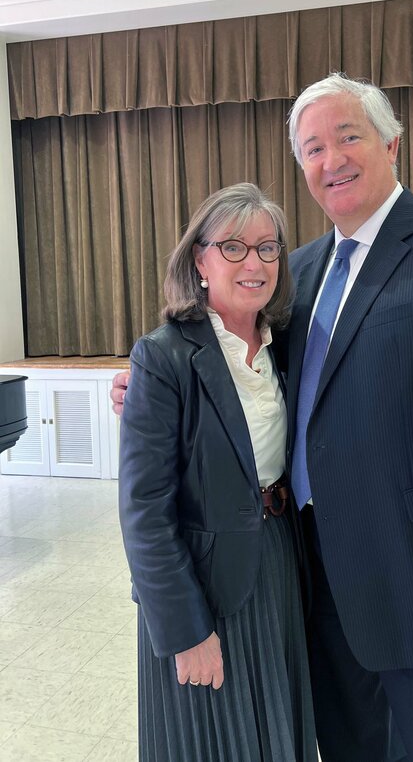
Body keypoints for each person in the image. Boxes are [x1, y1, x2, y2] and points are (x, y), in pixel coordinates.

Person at [114, 74, 413, 762]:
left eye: (348, 136)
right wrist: (150, 383)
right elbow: (251, 378)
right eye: (312, 148)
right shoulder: (297, 273)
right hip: (315, 591)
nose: (331, 159)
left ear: (391, 144)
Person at [117, 183, 317, 762]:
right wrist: (184, 632)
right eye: (232, 247)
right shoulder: (164, 357)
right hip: (201, 586)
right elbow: (143, 512)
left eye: (267, 247)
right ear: (199, 262)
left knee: (275, 728)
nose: (253, 262)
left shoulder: (285, 347)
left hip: (277, 562)